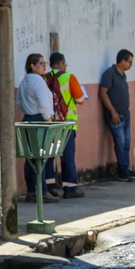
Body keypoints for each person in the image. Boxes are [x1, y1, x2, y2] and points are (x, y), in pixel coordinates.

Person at [15, 53, 58, 204]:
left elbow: (18, 100)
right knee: (41, 157)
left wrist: (28, 110)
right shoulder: (38, 81)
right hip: (39, 119)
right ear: (32, 66)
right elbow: (43, 102)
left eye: (44, 63)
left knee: (30, 158)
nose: (44, 66)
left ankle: (31, 190)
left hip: (27, 119)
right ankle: (43, 191)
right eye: (40, 63)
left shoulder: (24, 81)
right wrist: (48, 120)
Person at [48, 52, 87, 198]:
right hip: (67, 124)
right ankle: (70, 188)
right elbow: (80, 99)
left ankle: (49, 187)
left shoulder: (44, 77)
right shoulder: (69, 77)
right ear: (63, 62)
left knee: (49, 156)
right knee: (67, 156)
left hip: (50, 124)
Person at [99, 49, 135, 182]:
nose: (131, 65)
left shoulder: (123, 75)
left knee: (127, 142)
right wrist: (113, 112)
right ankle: (121, 171)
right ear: (122, 61)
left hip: (125, 114)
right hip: (115, 115)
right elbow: (103, 93)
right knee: (120, 142)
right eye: (129, 62)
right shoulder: (110, 73)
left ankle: (126, 167)